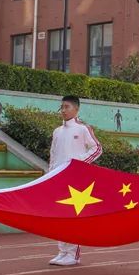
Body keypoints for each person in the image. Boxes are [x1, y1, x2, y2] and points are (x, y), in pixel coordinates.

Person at [47, 95, 103, 265]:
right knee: (59, 215)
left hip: (75, 178)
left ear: (76, 109)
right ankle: (62, 251)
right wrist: (50, 174)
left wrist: (79, 164)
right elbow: (53, 154)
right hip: (57, 177)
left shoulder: (82, 129)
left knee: (72, 215)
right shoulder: (57, 131)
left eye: (67, 107)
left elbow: (97, 148)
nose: (63, 110)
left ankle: (73, 254)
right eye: (62, 107)